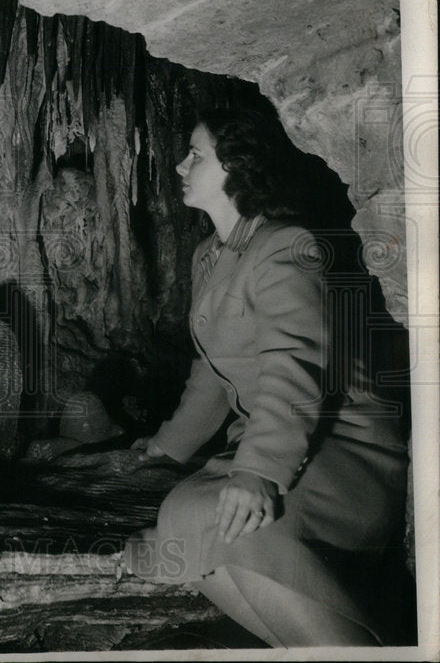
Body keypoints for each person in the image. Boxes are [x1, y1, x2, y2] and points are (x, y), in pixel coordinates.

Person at [123, 106, 409, 646]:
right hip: (282, 442)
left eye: (196, 155)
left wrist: (258, 473)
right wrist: (167, 446)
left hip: (345, 448)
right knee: (185, 510)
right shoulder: (212, 255)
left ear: (235, 167)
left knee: (242, 530)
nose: (181, 165)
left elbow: (292, 365)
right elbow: (211, 369)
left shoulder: (287, 245)